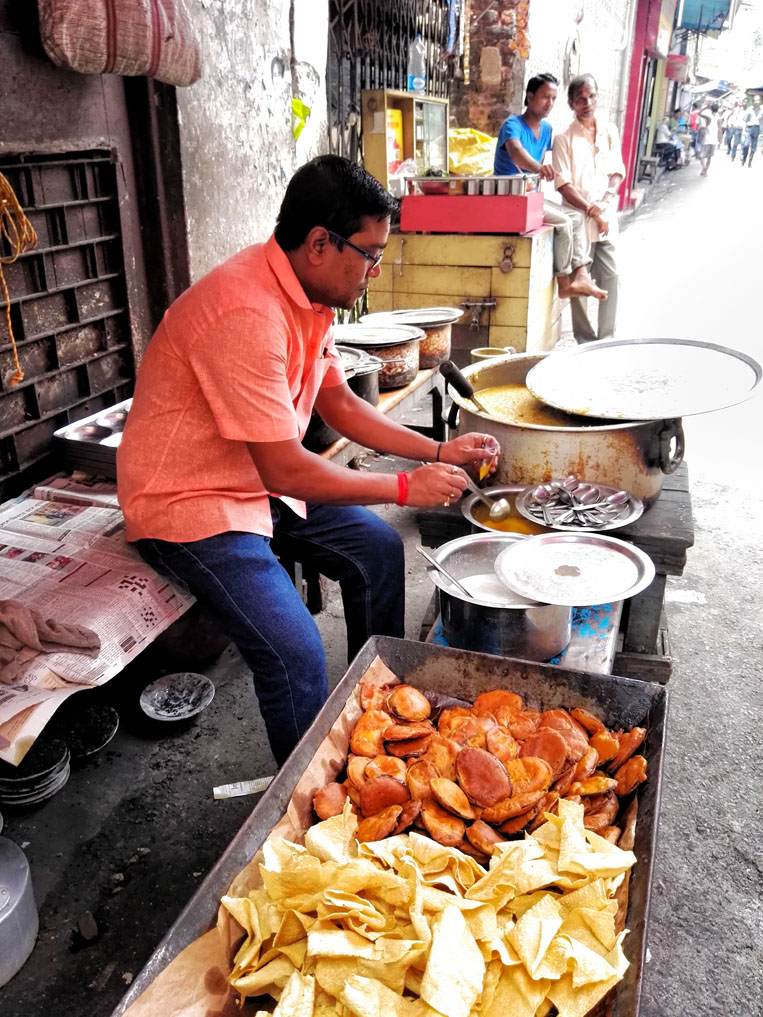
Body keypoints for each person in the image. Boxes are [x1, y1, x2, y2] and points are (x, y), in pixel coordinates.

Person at [116, 155, 499, 765]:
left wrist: (437, 450)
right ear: (321, 242)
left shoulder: (308, 295)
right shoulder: (247, 312)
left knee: (376, 551)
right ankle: (317, 805)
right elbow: (289, 471)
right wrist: (404, 487)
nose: (375, 270)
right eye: (370, 254)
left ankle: (384, 719)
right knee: (294, 651)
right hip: (189, 503)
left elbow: (340, 404)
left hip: (254, 481)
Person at [494, 72, 606, 302]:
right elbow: (517, 152)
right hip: (508, 198)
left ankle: (582, 274)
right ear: (530, 96)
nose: (550, 104)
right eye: (545, 97)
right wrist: (538, 167)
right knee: (564, 222)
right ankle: (564, 282)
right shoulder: (511, 124)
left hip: (530, 199)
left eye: (554, 99)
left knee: (575, 217)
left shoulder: (546, 130)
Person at [551, 74, 625, 345]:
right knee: (579, 286)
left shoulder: (609, 131)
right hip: (579, 222)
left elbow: (617, 171)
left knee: (612, 276)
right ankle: (585, 341)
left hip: (605, 220)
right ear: (571, 103)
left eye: (591, 96)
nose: (587, 102)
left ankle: (606, 339)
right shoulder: (563, 139)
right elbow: (563, 185)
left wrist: (605, 200)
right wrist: (592, 209)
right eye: (580, 98)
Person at [697, 103, 720, 176]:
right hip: (713, 140)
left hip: (707, 139)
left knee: (702, 155)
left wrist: (705, 107)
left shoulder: (708, 117)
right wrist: (719, 138)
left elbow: (699, 113)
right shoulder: (718, 117)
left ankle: (704, 168)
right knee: (709, 157)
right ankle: (705, 171)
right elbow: (719, 129)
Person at [740, 96, 762, 167]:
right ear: (753, 102)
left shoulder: (761, 110)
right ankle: (744, 159)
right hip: (749, 128)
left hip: (756, 128)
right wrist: (744, 131)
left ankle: (750, 161)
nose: (757, 102)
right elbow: (745, 120)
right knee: (746, 145)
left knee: (753, 147)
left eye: (758, 100)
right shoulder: (749, 110)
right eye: (755, 100)